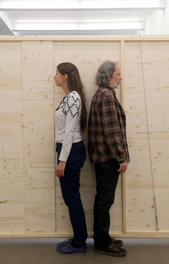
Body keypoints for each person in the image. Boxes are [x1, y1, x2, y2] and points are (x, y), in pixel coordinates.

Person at [87, 60, 130, 257]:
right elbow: (112, 132)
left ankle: (103, 237)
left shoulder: (103, 94)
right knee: (104, 202)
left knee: (104, 201)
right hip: (107, 159)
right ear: (108, 76)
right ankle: (102, 242)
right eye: (118, 74)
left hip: (103, 158)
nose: (120, 78)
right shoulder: (106, 96)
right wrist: (121, 158)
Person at [54, 62, 88, 254]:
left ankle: (79, 243)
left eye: (57, 73)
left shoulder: (73, 97)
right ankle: (78, 238)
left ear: (65, 76)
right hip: (67, 150)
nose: (54, 77)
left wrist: (63, 160)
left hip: (71, 151)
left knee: (72, 198)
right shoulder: (68, 98)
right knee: (70, 197)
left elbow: (69, 132)